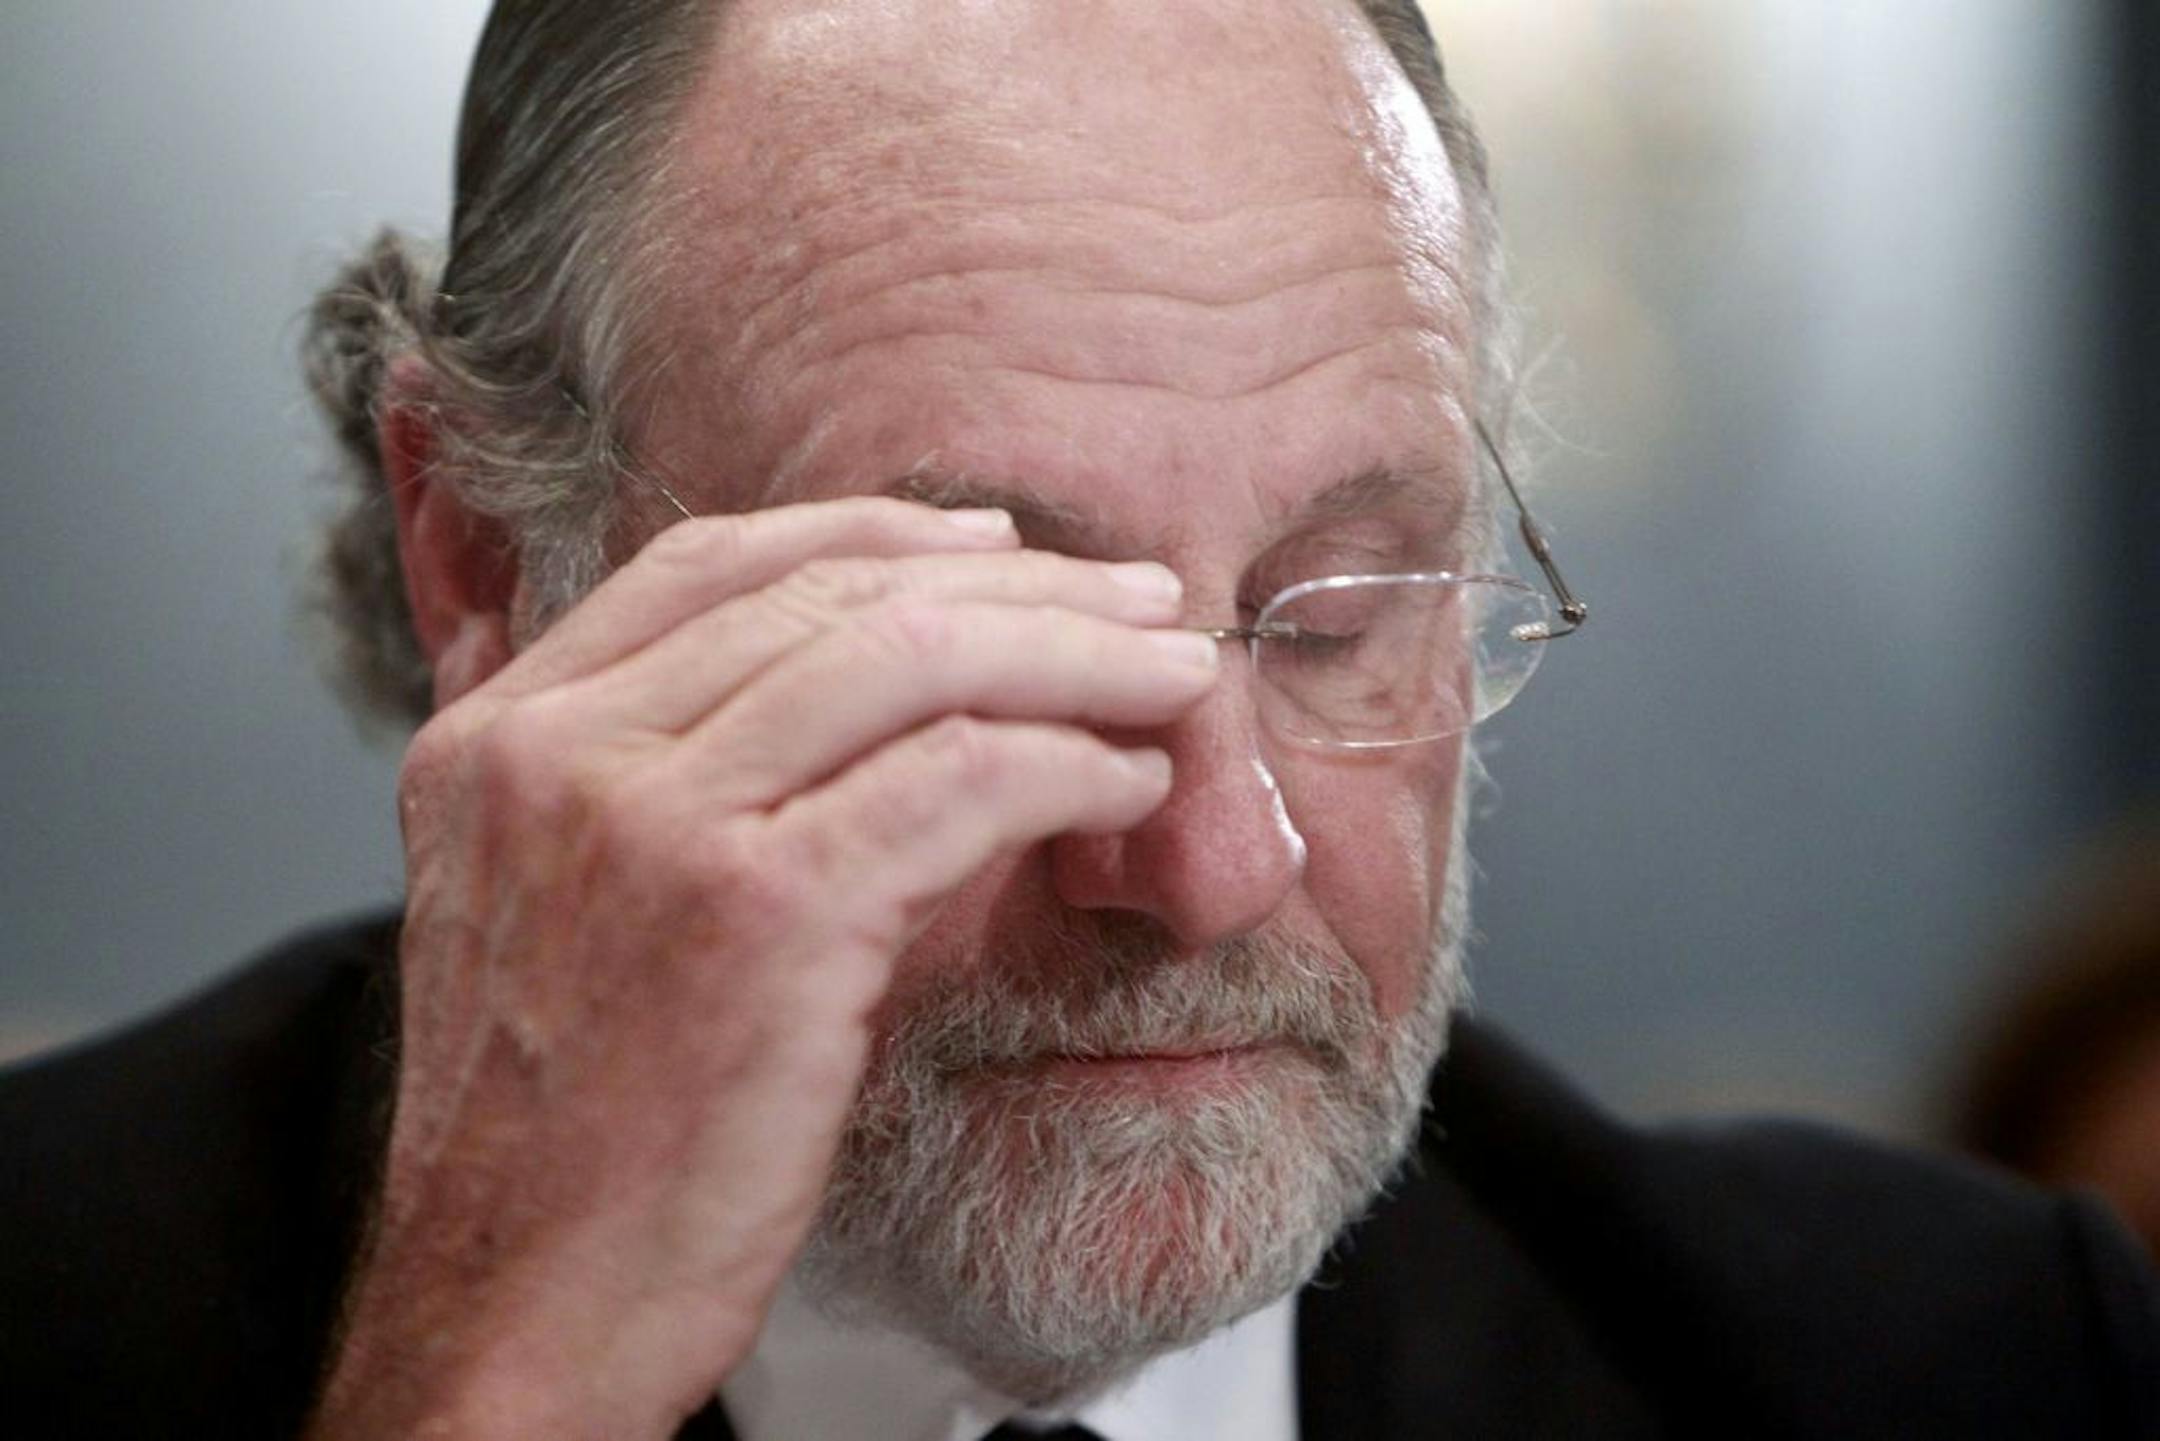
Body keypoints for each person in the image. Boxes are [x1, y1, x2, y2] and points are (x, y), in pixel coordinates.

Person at [2, 1, 2154, 1437]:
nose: (1212, 869)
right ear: (480, 556)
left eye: (1330, 614)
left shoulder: (1961, 1367)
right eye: (988, 633)